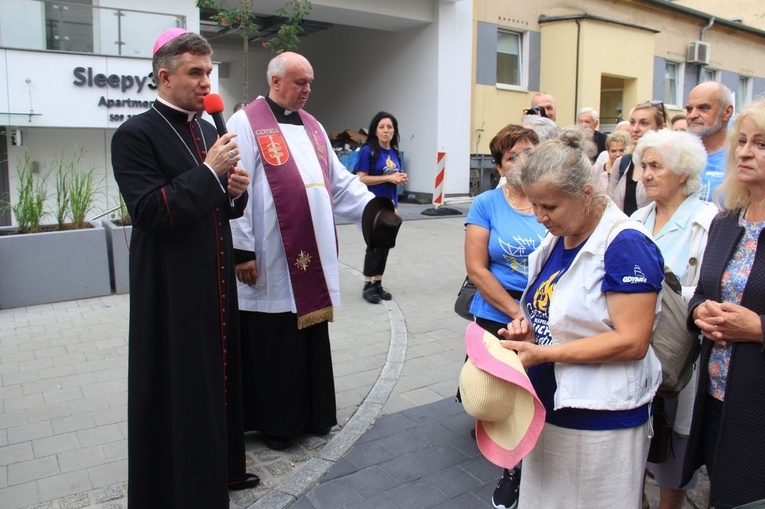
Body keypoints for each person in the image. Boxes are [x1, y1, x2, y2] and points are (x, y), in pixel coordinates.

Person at [111, 29, 258, 508]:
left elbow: (219, 206)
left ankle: (223, 471)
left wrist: (236, 192)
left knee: (218, 379)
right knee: (184, 389)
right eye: (195, 73)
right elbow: (151, 212)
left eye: (209, 73)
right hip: (173, 287)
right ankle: (185, 489)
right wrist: (210, 173)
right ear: (164, 76)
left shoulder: (208, 129)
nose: (205, 83)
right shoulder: (134, 134)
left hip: (215, 284)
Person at [500, 127, 665, 508]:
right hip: (549, 408)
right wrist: (530, 336)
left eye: (550, 207)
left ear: (586, 194)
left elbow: (633, 341)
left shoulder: (626, 245)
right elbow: (555, 318)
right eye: (534, 204)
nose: (539, 216)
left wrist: (544, 354)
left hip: (600, 420)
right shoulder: (558, 236)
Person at [227, 52, 378, 451]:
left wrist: (374, 210)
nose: (307, 90)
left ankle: (314, 414)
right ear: (275, 81)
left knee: (308, 338)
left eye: (310, 82)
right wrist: (241, 249)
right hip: (270, 257)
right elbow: (233, 186)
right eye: (300, 82)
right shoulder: (246, 123)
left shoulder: (313, 127)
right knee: (273, 343)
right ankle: (276, 423)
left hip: (310, 258)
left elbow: (339, 183)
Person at [681, 100, 765, 508]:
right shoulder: (726, 219)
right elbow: (700, 292)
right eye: (743, 141)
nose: (745, 151)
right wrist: (699, 313)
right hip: (716, 400)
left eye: (762, 144)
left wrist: (759, 329)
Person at [629, 129, 718, 509]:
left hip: (679, 353)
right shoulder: (636, 217)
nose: (645, 174)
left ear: (683, 173)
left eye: (655, 166)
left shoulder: (708, 221)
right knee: (635, 444)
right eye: (643, 166)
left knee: (674, 449)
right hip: (635, 348)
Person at [464, 124, 547, 509]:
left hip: (545, 312)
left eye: (530, 151)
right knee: (506, 395)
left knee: (541, 391)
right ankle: (511, 469)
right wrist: (517, 312)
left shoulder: (550, 200)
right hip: (497, 311)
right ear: (499, 166)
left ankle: (542, 465)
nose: (523, 160)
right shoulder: (486, 204)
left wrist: (534, 314)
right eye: (514, 155)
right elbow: (477, 268)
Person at [355, 111, 408, 303]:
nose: (386, 131)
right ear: (375, 131)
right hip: (373, 204)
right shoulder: (368, 151)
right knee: (374, 245)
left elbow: (394, 178)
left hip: (389, 204)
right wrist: (388, 177)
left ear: (394, 131)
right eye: (382, 127)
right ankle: (367, 286)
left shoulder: (394, 153)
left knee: (386, 245)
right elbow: (361, 178)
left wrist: (399, 179)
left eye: (390, 127)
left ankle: (378, 283)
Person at [609, 100, 668, 215]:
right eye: (632, 122)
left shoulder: (669, 164)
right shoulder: (622, 163)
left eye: (644, 123)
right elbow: (611, 206)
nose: (635, 129)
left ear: (661, 128)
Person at [685, 82, 734, 202]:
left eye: (703, 108)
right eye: (689, 109)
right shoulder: (678, 153)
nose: (692, 115)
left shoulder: (741, 157)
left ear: (727, 112)